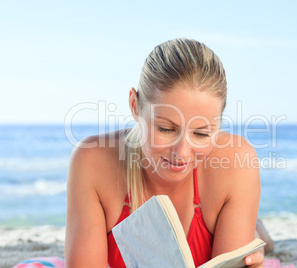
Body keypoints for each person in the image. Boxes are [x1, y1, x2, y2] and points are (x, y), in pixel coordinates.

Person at [64, 38, 274, 268]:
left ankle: (257, 232)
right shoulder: (92, 161)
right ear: (135, 105)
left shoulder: (236, 161)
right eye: (165, 129)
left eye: (201, 134)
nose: (181, 153)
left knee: (260, 249)